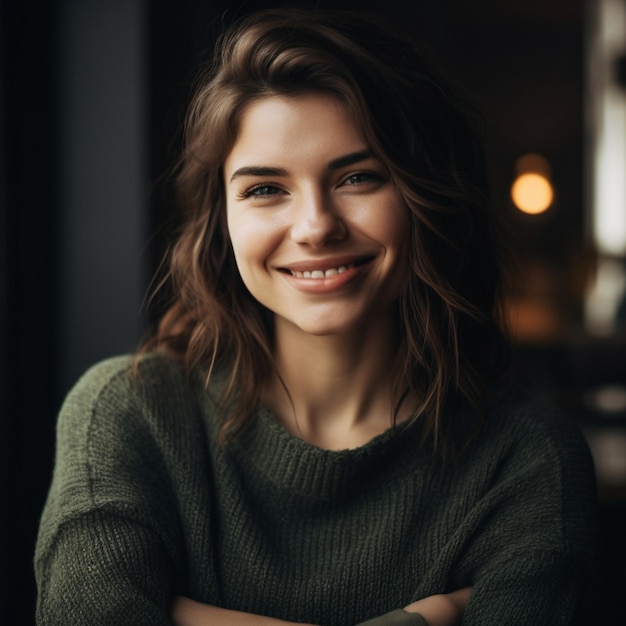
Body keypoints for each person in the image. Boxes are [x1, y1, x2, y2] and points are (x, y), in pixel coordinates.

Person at [34, 6, 599, 626]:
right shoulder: (127, 413)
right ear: (222, 220)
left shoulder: (526, 459)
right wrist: (420, 620)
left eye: (357, 177)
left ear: (425, 197)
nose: (315, 227)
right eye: (265, 189)